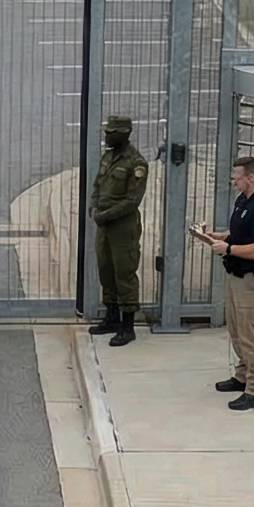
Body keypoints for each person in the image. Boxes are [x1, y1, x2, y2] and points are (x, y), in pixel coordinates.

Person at [192, 156, 254, 408]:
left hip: (253, 280)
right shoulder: (244, 199)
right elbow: (242, 232)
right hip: (235, 274)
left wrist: (227, 248)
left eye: (236, 177)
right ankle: (242, 376)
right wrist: (220, 236)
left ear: (250, 177)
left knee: (251, 334)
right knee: (236, 330)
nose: (233, 181)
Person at [90, 114, 149, 346]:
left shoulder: (136, 163)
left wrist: (106, 215)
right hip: (104, 224)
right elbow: (97, 184)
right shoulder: (108, 157)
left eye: (110, 132)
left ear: (123, 134)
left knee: (124, 273)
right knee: (106, 270)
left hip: (122, 227)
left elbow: (132, 200)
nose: (106, 135)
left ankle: (127, 326)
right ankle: (111, 317)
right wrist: (94, 206)